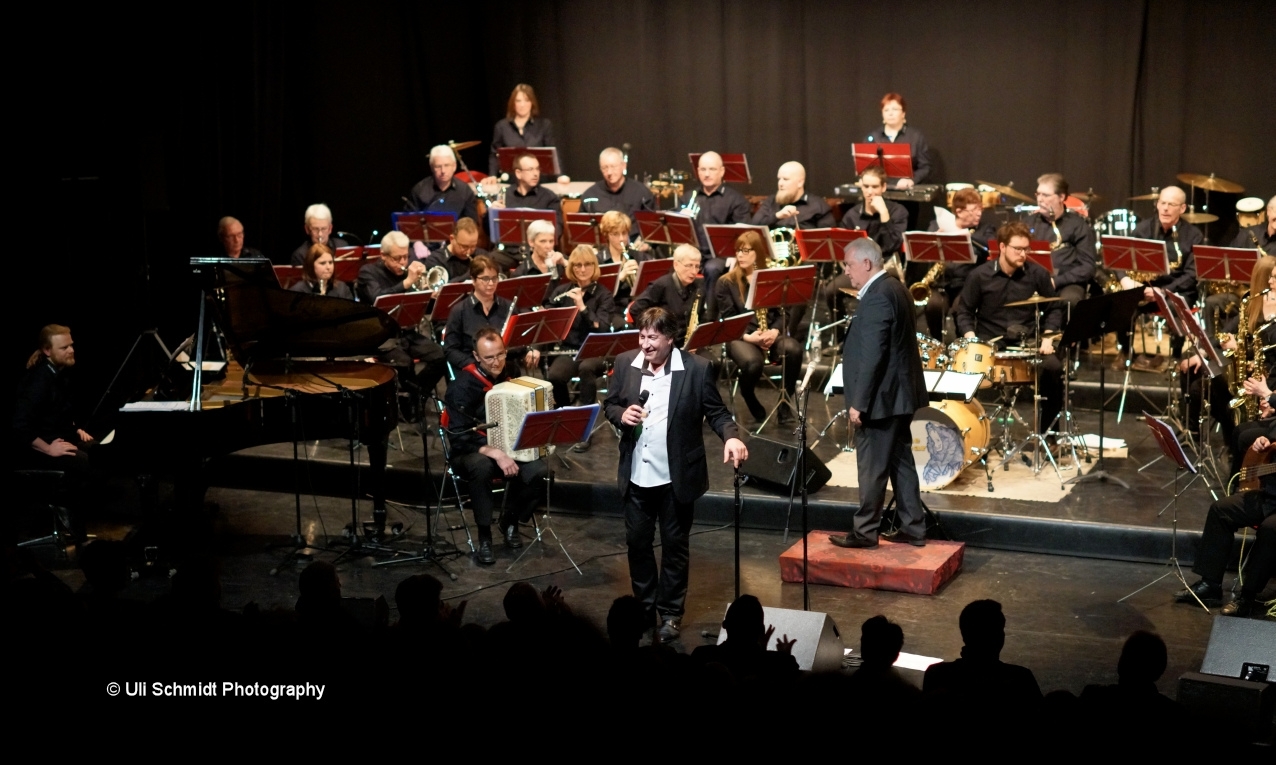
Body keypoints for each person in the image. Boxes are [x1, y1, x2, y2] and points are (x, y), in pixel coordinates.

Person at [603, 307, 747, 641]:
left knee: (674, 546)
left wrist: (732, 437)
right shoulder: (625, 363)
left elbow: (717, 412)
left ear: (670, 338)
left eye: (653, 337)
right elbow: (610, 404)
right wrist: (621, 415)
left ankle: (670, 613)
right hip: (636, 474)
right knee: (637, 544)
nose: (645, 344)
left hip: (675, 476)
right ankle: (644, 609)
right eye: (642, 336)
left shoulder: (696, 369)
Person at [828, 238, 928, 548]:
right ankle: (913, 527)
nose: (846, 272)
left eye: (849, 265)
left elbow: (873, 355)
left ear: (867, 263)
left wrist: (859, 402)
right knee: (901, 462)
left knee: (872, 465)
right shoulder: (897, 288)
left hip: (881, 400)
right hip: (899, 396)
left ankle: (865, 531)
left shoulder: (877, 296)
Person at [443, 327, 549, 565]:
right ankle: (484, 537)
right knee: (482, 467)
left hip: (509, 446)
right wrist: (496, 453)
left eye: (500, 354)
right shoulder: (461, 386)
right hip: (470, 450)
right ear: (476, 356)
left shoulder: (510, 371)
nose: (496, 362)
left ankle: (510, 519)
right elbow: (458, 436)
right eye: (489, 357)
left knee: (541, 471)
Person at [955, 222, 1065, 436]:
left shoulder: (1038, 274)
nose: (1023, 254)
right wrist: (971, 338)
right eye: (1018, 249)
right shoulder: (979, 275)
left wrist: (1048, 338)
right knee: (962, 371)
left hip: (1027, 344)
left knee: (1053, 368)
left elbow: (1053, 309)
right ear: (1002, 247)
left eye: (1026, 249)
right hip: (990, 344)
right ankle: (969, 435)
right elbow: (964, 311)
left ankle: (1049, 435)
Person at [1175, 425, 1276, 617]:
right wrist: (1263, 441)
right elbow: (1270, 436)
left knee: (1270, 529)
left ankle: (1247, 597)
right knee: (1221, 510)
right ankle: (1210, 585)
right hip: (1270, 494)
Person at [1179, 255, 1276, 452]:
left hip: (1264, 374)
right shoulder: (1253, 302)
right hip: (1244, 368)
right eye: (1270, 276)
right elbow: (1225, 333)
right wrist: (1203, 352)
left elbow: (1269, 352)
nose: (1270, 281)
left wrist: (1239, 348)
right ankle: (1195, 432)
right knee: (1194, 372)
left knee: (1210, 388)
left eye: (1274, 277)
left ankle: (1231, 442)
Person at [14, 325, 96, 542]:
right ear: (47, 350)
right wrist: (49, 449)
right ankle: (71, 525)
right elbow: (21, 427)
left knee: (100, 453)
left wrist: (75, 429)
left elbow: (54, 413)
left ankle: (75, 523)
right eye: (64, 347)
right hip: (39, 450)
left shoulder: (58, 374)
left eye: (71, 345)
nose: (71, 350)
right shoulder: (38, 381)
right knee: (88, 465)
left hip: (59, 438)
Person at [715, 230, 801, 426]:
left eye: (746, 251)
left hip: (769, 334)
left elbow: (783, 313)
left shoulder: (773, 278)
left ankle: (784, 404)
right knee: (753, 363)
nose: (740, 255)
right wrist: (749, 337)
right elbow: (728, 319)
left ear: (758, 253)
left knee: (794, 350)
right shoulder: (726, 282)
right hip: (740, 337)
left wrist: (775, 331)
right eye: (738, 251)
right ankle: (747, 393)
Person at [355, 231, 448, 398]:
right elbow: (377, 297)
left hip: (406, 333)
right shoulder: (367, 272)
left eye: (406, 256)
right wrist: (407, 282)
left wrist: (429, 296)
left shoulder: (408, 272)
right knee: (404, 363)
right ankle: (411, 401)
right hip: (381, 337)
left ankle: (415, 397)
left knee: (440, 356)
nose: (403, 262)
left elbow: (423, 311)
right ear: (383, 255)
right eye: (397, 258)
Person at [922, 600, 1043, 719]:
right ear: (998, 637)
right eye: (1000, 630)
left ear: (964, 634)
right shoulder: (1020, 679)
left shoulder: (937, 674)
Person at [544, 246, 619, 437]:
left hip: (597, 351)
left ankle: (586, 426)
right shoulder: (563, 291)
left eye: (587, 264)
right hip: (571, 350)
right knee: (555, 376)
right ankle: (566, 417)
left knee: (586, 368)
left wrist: (582, 307)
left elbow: (602, 327)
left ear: (594, 267)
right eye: (577, 265)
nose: (582, 269)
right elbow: (548, 317)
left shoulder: (603, 294)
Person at [920, 186, 997, 340]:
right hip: (941, 282)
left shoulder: (985, 229)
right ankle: (937, 342)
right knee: (933, 305)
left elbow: (989, 245)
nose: (979, 213)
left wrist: (961, 234)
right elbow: (924, 248)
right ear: (959, 212)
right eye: (974, 210)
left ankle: (960, 343)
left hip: (967, 284)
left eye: (980, 209)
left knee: (960, 307)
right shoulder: (937, 225)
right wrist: (935, 238)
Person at [443, 255, 538, 377]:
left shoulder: (508, 307)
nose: (491, 283)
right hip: (473, 372)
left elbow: (519, 342)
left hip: (505, 370)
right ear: (473, 280)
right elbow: (450, 350)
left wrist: (524, 350)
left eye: (494, 278)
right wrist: (476, 367)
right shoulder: (459, 311)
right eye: (485, 279)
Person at [691, 151, 752, 316]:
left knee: (712, 268)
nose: (707, 174)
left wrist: (734, 254)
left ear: (722, 171)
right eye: (703, 169)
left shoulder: (736, 200)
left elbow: (744, 234)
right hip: (695, 253)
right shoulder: (690, 197)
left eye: (712, 169)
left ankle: (709, 318)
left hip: (722, 256)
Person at [1026, 173, 1095, 312]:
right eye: (1038, 194)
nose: (1039, 199)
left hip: (1067, 282)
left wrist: (1057, 281)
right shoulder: (1028, 223)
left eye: (1045, 195)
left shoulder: (1078, 225)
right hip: (1034, 281)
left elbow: (1088, 267)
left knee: (1070, 301)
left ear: (1061, 197)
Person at [690, 594, 798, 682]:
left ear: (725, 624)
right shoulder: (782, 663)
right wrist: (785, 656)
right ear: (761, 630)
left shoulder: (702, 656)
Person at [630, 244, 706, 348]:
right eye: (689, 265)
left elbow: (701, 316)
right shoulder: (661, 285)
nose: (694, 271)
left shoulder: (698, 285)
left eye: (697, 266)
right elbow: (635, 310)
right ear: (676, 265)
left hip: (688, 344)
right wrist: (654, 334)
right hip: (665, 345)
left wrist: (696, 341)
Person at [863, 92, 931, 189]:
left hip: (906, 190)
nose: (890, 113)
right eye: (886, 110)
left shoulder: (916, 137)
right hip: (878, 190)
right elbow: (865, 168)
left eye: (895, 109)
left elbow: (925, 167)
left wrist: (912, 180)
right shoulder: (873, 137)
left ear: (903, 113)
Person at [488, 83, 557, 177]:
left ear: (532, 103)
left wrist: (560, 176)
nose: (522, 105)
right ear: (513, 104)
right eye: (518, 101)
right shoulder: (501, 126)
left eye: (527, 100)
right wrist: (492, 175)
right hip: (512, 180)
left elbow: (552, 154)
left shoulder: (544, 125)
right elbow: (494, 155)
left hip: (537, 179)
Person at [751, 161, 834, 230]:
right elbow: (753, 227)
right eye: (779, 179)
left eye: (785, 179)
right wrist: (777, 216)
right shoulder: (771, 201)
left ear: (800, 182)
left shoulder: (818, 206)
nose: (780, 183)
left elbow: (828, 237)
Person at [408, 145, 479, 223]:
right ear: (431, 167)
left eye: (447, 165)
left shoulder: (465, 191)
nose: (443, 171)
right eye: (438, 166)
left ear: (454, 166)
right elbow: (409, 222)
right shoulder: (419, 190)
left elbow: (472, 224)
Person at [582, 147, 654, 221]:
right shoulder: (590, 195)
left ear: (624, 166)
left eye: (613, 167)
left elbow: (652, 223)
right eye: (604, 168)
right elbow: (581, 224)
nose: (609, 172)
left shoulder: (641, 192)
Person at [485, 151, 560, 220]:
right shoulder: (504, 196)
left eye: (537, 169)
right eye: (530, 169)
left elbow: (557, 226)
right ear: (518, 173)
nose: (536, 174)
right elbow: (488, 227)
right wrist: (491, 213)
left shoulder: (550, 197)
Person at [420, 217, 487, 283]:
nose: (469, 252)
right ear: (452, 239)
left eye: (473, 246)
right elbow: (441, 287)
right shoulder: (436, 260)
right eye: (464, 246)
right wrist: (472, 273)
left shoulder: (483, 256)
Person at [513, 218, 566, 293]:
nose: (548, 246)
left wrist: (565, 263)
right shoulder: (521, 272)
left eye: (551, 241)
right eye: (543, 241)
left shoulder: (561, 260)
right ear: (531, 242)